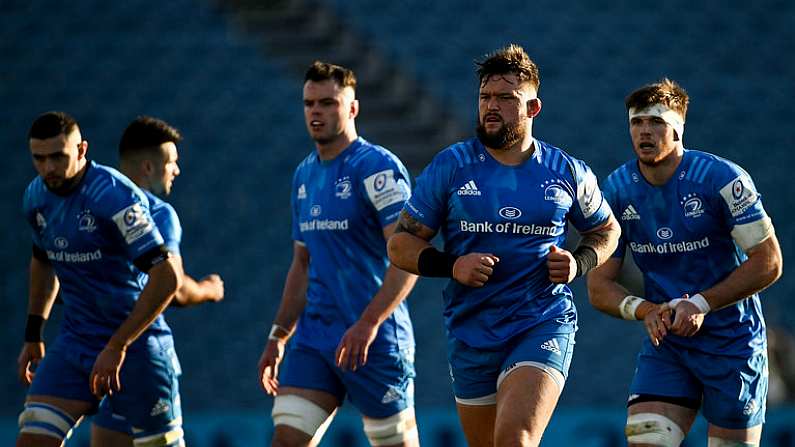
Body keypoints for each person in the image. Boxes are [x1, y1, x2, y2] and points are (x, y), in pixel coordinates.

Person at [387, 44, 620, 447]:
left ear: (533, 108)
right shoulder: (451, 166)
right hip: (471, 329)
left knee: (515, 439)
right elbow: (400, 243)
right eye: (485, 97)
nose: (491, 107)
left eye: (506, 98)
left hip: (540, 321)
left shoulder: (566, 172)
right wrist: (451, 265)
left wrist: (579, 262)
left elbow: (607, 231)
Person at [587, 78, 783, 447]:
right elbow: (599, 287)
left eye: (656, 122)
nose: (645, 131)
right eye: (637, 122)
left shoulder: (722, 180)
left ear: (678, 129)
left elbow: (769, 261)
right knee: (646, 441)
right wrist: (645, 310)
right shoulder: (615, 190)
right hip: (670, 347)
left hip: (732, 343)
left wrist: (702, 303)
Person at [256, 61, 420, 447]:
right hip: (315, 339)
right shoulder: (304, 175)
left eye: (328, 102)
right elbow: (302, 264)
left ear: (352, 108)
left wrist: (369, 323)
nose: (316, 111)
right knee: (286, 440)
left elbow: (408, 257)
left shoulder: (378, 168)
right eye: (310, 103)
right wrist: (278, 336)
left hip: (374, 340)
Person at [16, 111, 185, 447]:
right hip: (76, 340)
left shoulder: (115, 197)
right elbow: (43, 262)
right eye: (39, 158)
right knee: (32, 440)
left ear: (81, 150)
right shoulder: (36, 197)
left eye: (58, 156)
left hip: (136, 347)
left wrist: (117, 345)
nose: (48, 167)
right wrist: (34, 332)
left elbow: (166, 277)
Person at [90, 116, 225, 446]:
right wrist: (209, 290)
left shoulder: (91, 205)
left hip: (104, 356)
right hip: (145, 356)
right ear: (149, 167)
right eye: (172, 163)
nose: (176, 170)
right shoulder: (157, 212)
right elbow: (174, 287)